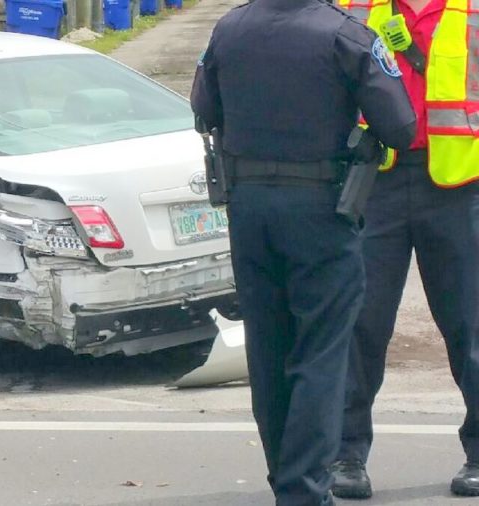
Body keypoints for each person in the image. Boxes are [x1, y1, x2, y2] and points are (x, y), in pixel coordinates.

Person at [190, 0, 417, 503]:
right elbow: (401, 126)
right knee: (320, 353)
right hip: (321, 209)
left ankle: (286, 481)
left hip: (248, 208)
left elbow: (203, 108)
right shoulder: (345, 33)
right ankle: (304, 490)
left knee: (268, 349)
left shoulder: (229, 27)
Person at [331, 0, 479, 498]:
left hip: (463, 186)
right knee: (359, 324)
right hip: (379, 181)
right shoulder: (352, 10)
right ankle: (345, 456)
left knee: (471, 325)